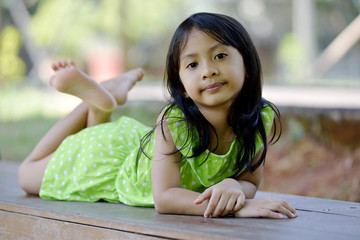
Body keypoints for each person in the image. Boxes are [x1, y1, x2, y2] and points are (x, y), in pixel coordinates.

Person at [18, 12, 297, 219]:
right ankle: (95, 101)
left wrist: (232, 185)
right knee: (26, 175)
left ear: (247, 65)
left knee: (91, 132)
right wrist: (239, 207)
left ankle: (101, 104)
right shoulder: (174, 123)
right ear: (182, 88)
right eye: (192, 64)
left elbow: (249, 181)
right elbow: (164, 199)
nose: (208, 70)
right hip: (105, 163)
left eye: (220, 56)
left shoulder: (260, 117)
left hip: (138, 150)